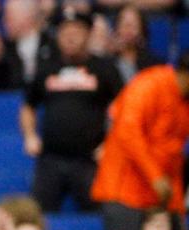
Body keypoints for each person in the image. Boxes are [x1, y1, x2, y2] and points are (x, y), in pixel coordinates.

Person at [20, 5, 122, 213]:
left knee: (98, 216)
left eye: (76, 32)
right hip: (50, 158)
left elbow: (124, 106)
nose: (70, 37)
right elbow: (28, 106)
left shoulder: (104, 68)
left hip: (88, 160)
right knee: (37, 214)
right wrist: (30, 135)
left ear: (88, 34)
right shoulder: (46, 66)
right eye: (65, 32)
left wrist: (111, 143)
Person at [91, 53, 189, 230]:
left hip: (158, 200)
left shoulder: (185, 102)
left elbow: (174, 156)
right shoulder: (149, 84)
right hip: (125, 192)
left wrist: (177, 208)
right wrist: (155, 177)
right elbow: (128, 132)